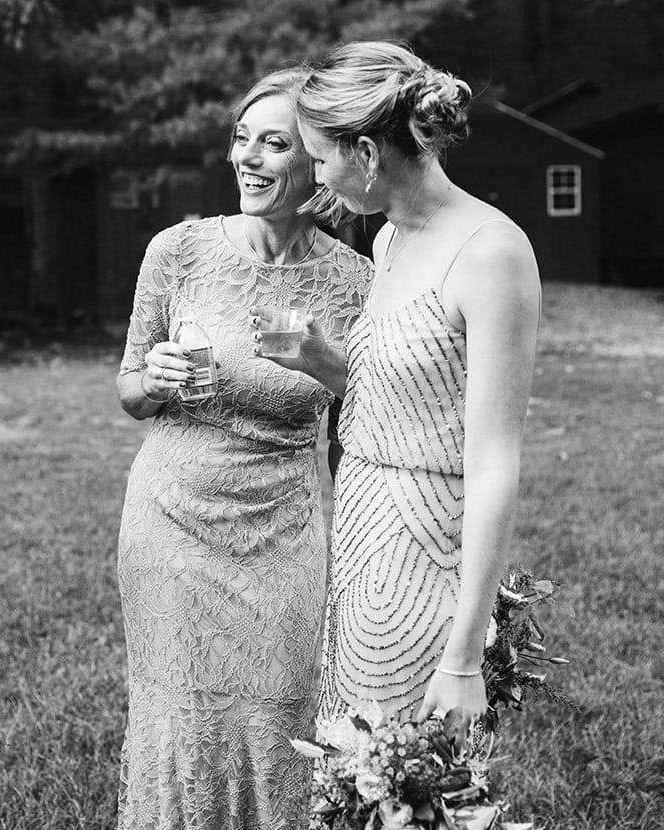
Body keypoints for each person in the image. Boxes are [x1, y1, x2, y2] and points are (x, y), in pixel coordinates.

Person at [259, 40, 541, 747]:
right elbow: (405, 399)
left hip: (426, 555)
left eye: (320, 157)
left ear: (367, 154)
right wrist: (326, 360)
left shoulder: (490, 253)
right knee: (350, 770)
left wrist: (466, 655)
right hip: (359, 536)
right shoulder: (386, 240)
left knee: (409, 779)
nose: (315, 175)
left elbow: (493, 464)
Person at [115, 67, 372, 829]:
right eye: (240, 139)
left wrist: (325, 362)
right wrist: (152, 379)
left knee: (281, 707)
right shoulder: (179, 251)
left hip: (283, 528)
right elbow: (129, 387)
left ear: (316, 165)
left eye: (274, 144)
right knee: (182, 713)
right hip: (171, 520)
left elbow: (368, 420)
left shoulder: (357, 280)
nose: (247, 159)